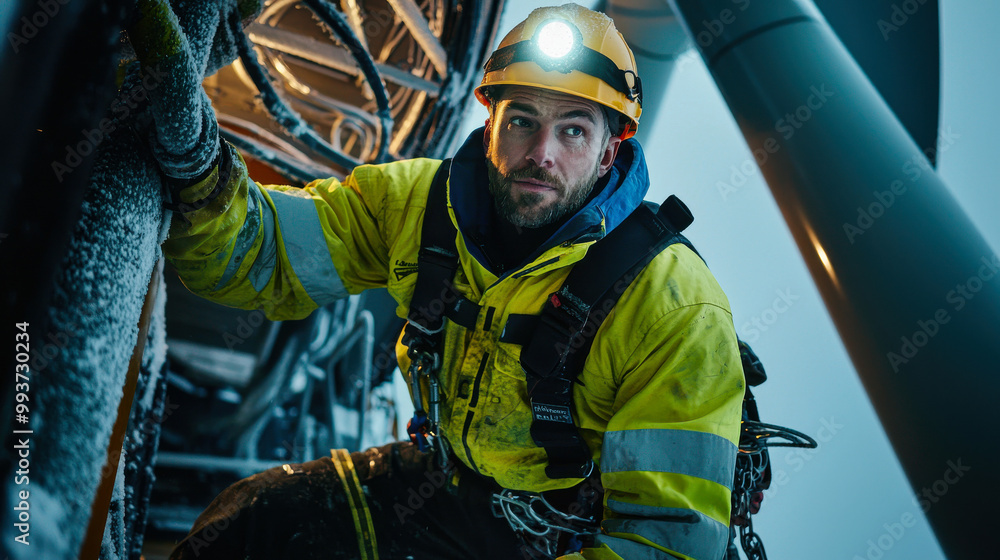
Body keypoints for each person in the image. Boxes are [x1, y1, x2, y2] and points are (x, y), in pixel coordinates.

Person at [158, 3, 745, 559]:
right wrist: (195, 162)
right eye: (522, 121)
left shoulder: (673, 307)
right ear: (490, 125)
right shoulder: (419, 206)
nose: (540, 153)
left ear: (609, 152)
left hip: (560, 535)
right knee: (249, 528)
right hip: (444, 484)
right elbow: (265, 253)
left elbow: (664, 545)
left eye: (573, 131)